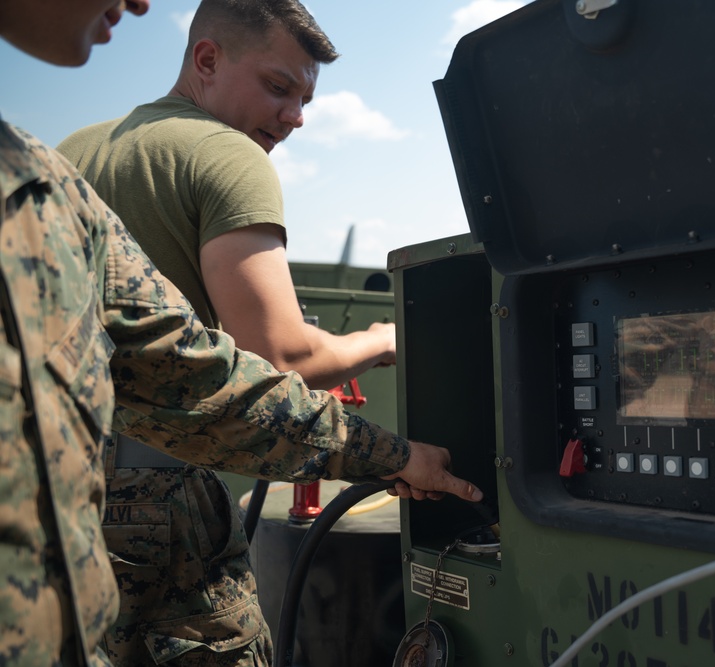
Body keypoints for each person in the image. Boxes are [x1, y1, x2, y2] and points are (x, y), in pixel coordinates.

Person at [0, 2, 482, 666]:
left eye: (304, 99)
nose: (295, 116)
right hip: (163, 501)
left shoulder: (63, 157)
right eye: (279, 87)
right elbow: (273, 357)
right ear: (207, 61)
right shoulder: (224, 153)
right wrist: (381, 343)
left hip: (71, 509)